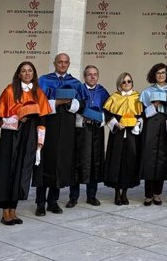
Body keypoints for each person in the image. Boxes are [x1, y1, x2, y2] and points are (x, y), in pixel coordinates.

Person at [0, 61, 51, 226]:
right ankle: (5, 211)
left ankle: (14, 210)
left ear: (34, 74)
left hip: (29, 135)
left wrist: (40, 143)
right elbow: (0, 118)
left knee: (22, 171)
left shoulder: (38, 92)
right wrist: (17, 118)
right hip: (11, 135)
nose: (27, 73)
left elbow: (43, 119)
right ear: (18, 74)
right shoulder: (10, 90)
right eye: (23, 71)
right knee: (7, 170)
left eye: (30, 70)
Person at [34, 53, 86, 216]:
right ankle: (40, 203)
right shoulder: (44, 80)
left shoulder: (75, 83)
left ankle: (53, 202)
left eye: (65, 62)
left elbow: (82, 104)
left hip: (67, 128)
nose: (62, 65)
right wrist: (56, 102)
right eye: (60, 62)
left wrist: (71, 103)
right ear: (54, 63)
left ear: (69, 64)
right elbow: (38, 102)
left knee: (61, 163)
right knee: (45, 163)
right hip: (49, 124)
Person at [67, 65, 110, 208]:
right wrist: (81, 117)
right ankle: (73, 197)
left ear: (98, 76)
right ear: (84, 77)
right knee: (78, 162)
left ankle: (92, 196)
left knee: (94, 162)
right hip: (81, 131)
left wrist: (100, 118)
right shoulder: (79, 89)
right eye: (89, 74)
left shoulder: (103, 92)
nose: (92, 77)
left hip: (96, 130)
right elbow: (72, 108)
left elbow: (109, 110)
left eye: (95, 74)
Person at [103, 72, 143, 205]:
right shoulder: (114, 97)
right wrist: (115, 123)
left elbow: (141, 115)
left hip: (132, 134)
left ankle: (125, 193)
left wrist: (137, 124)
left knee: (129, 162)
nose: (127, 84)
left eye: (129, 81)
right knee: (116, 161)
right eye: (124, 82)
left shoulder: (138, 97)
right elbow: (107, 113)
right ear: (120, 84)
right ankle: (116, 193)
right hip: (118, 134)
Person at [139, 63, 167, 206]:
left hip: (165, 125)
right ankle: (148, 194)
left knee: (162, 159)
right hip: (150, 126)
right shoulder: (147, 92)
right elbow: (141, 114)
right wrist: (155, 105)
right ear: (154, 74)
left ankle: (157, 194)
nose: (161, 75)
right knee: (149, 158)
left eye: (163, 73)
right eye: (158, 73)